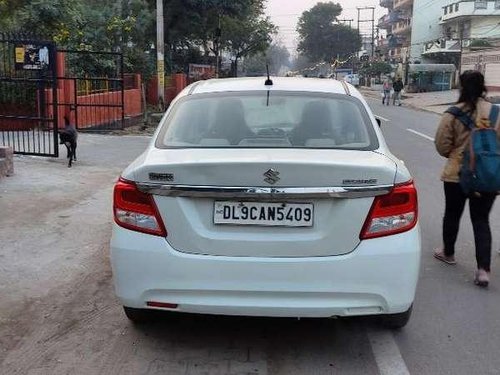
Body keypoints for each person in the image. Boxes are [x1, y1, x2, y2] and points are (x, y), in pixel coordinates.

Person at [434, 70, 499, 288]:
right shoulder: (496, 113)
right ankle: (483, 271)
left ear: (461, 86)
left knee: (452, 214)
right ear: (484, 86)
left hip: (456, 175)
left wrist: (457, 155)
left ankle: (448, 252)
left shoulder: (453, 113)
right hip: (487, 176)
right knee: (481, 221)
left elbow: (442, 145)